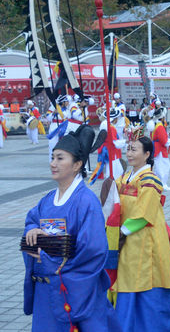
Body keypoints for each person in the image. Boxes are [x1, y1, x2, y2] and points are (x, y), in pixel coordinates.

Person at [23, 126, 121, 331]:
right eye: (52, 158)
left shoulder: (86, 201)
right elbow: (32, 218)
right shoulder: (48, 199)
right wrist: (32, 230)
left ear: (77, 165)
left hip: (74, 287)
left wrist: (52, 263)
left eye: (60, 158)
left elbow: (93, 251)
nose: (53, 164)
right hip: (46, 288)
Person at [110, 136, 170, 331]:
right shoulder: (124, 177)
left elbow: (144, 213)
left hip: (144, 238)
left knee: (147, 277)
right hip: (126, 238)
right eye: (128, 149)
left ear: (147, 154)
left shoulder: (150, 179)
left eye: (134, 150)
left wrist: (122, 232)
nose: (129, 153)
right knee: (128, 276)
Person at [149, 107, 170, 189]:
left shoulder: (156, 125)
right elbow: (164, 141)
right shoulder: (160, 126)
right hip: (160, 149)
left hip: (157, 148)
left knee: (160, 166)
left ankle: (159, 183)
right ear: (162, 117)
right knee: (164, 166)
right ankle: (162, 183)